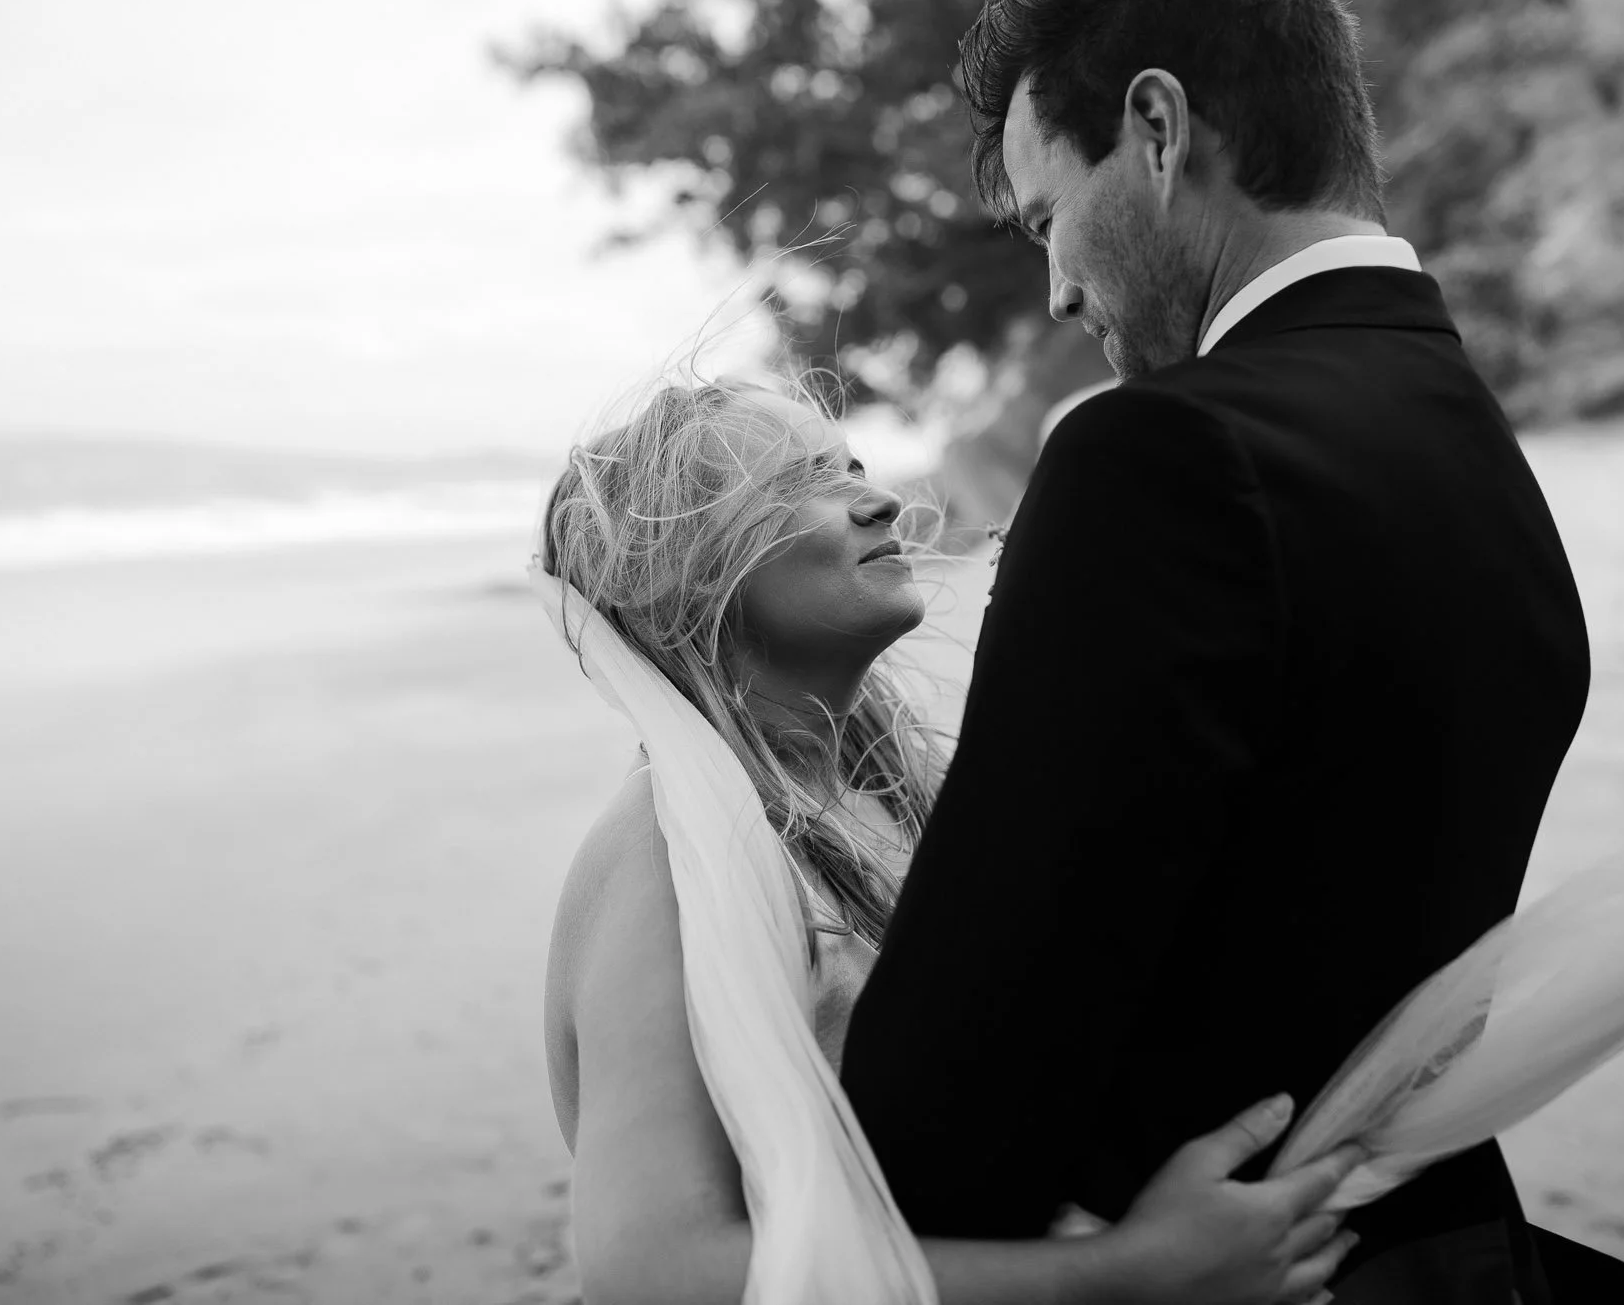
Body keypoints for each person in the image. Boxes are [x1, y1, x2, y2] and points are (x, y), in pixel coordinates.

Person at [834, 0, 1624, 1301]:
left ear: (1162, 130)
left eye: (1051, 217)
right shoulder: (1471, 443)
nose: (1058, 288)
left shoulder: (1161, 460)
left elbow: (966, 1059)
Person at [536, 378, 1363, 1304]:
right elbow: (651, 1270)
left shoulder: (890, 788)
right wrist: (1134, 1273)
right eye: (800, 481)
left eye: (851, 463)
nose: (881, 496)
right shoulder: (666, 852)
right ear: (682, 568)